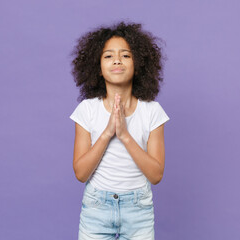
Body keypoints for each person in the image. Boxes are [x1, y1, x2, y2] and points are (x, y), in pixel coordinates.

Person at [70, 21, 170, 240]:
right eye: (108, 56)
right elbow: (81, 173)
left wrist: (124, 135)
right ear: (97, 67)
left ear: (138, 64)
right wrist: (108, 133)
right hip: (96, 209)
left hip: (138, 211)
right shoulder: (87, 110)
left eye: (125, 55)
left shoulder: (152, 112)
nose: (117, 60)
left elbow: (156, 175)